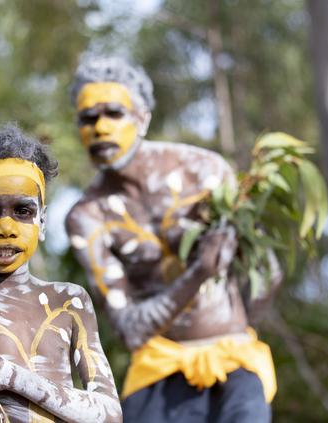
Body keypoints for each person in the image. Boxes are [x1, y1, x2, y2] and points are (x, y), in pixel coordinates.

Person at [65, 57, 281, 422]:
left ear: (143, 118)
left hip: (236, 364)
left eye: (114, 113)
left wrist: (232, 326)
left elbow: (266, 272)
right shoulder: (88, 216)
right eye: (88, 118)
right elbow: (129, 330)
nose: (100, 128)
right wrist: (199, 273)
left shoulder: (204, 171)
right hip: (157, 371)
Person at [0, 124, 121, 422]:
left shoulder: (68, 302)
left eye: (22, 211)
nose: (6, 229)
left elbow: (109, 414)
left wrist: (9, 375)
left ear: (43, 220)